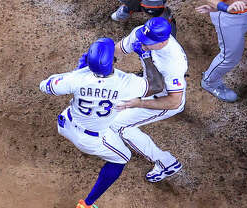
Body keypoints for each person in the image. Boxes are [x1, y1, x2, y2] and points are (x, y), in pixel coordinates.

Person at [40, 38, 162, 208]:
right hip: (90, 140)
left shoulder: (76, 78)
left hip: (65, 123)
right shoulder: (126, 83)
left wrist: (76, 72)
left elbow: (45, 86)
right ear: (113, 61)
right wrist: (146, 57)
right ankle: (87, 204)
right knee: (122, 158)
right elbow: (156, 85)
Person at [112, 17, 187, 183]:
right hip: (148, 85)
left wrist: (139, 103)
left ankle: (165, 162)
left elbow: (174, 101)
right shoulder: (144, 33)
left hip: (164, 100)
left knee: (119, 126)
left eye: (148, 42)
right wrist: (100, 62)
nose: (142, 43)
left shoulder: (173, 63)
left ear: (163, 42)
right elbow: (118, 50)